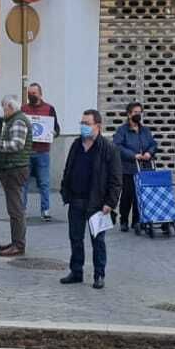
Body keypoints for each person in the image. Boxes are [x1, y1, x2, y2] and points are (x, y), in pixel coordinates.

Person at [59, 109, 121, 289]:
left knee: (98, 241)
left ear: (98, 126)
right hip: (76, 200)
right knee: (75, 238)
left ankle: (99, 274)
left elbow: (116, 179)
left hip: (97, 203)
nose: (83, 126)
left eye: (87, 123)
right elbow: (68, 168)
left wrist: (110, 202)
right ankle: (76, 271)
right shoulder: (76, 145)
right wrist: (65, 190)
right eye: (82, 123)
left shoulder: (108, 148)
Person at [0, 95, 33, 257]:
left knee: (16, 209)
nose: (1, 109)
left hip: (15, 169)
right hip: (11, 168)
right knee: (14, 208)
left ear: (10, 107)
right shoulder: (12, 121)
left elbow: (17, 145)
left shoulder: (18, 121)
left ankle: (18, 244)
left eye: (3, 106)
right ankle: (15, 241)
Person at [112, 102, 158, 232]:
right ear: (129, 114)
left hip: (144, 168)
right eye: (135, 112)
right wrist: (133, 155)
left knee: (140, 195)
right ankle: (124, 220)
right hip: (128, 168)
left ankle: (137, 221)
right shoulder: (122, 130)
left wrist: (149, 153)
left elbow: (153, 144)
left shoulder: (145, 130)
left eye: (140, 112)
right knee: (127, 195)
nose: (138, 114)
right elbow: (117, 146)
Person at [21, 82, 61, 223]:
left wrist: (52, 133)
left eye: (34, 93)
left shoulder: (49, 109)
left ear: (40, 94)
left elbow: (57, 129)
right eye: (29, 93)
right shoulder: (23, 109)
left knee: (44, 182)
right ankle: (22, 210)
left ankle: (45, 210)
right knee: (23, 183)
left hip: (42, 152)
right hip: (26, 152)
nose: (31, 95)